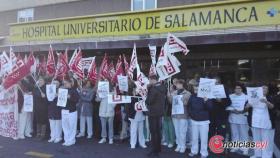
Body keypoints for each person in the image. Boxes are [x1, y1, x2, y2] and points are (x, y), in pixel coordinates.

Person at [246, 85, 275, 158]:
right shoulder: (252, 97)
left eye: (266, 88)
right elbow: (245, 108)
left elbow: (272, 107)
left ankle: (267, 156)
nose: (264, 89)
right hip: (255, 122)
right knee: (256, 140)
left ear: (268, 91)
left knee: (267, 141)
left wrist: (266, 102)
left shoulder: (270, 98)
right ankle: (257, 154)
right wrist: (248, 105)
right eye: (262, 88)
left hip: (266, 122)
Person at [188, 85, 212, 158]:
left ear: (201, 89)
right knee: (194, 138)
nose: (195, 90)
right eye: (195, 89)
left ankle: (204, 153)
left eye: (197, 89)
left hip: (204, 121)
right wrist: (191, 115)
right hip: (194, 120)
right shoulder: (192, 96)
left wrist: (206, 101)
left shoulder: (206, 96)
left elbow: (210, 108)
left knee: (204, 138)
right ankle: (194, 151)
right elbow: (189, 106)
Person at [145, 75, 167, 157]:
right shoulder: (163, 87)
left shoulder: (153, 89)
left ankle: (154, 150)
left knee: (153, 132)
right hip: (160, 112)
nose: (149, 81)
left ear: (153, 80)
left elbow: (149, 101)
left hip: (153, 113)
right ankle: (158, 148)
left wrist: (149, 90)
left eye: (150, 80)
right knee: (158, 131)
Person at [168, 79, 191, 153]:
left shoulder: (187, 93)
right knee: (177, 131)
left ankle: (183, 145)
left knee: (182, 131)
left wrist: (180, 99)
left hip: (183, 115)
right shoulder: (174, 92)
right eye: (176, 84)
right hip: (175, 115)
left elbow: (187, 103)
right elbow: (170, 102)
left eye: (179, 84)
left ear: (182, 85)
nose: (177, 85)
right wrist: (169, 96)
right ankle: (179, 145)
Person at [228, 84, 249, 155]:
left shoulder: (246, 97)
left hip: (242, 117)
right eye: (236, 88)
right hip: (233, 117)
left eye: (239, 88)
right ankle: (235, 146)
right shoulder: (230, 96)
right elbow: (227, 106)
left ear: (242, 89)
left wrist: (242, 111)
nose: (238, 89)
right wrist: (233, 110)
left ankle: (245, 148)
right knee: (234, 133)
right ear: (234, 89)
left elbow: (248, 107)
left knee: (244, 133)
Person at [61, 79, 79, 146]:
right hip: (64, 110)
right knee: (65, 126)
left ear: (70, 83)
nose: (65, 84)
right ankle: (67, 140)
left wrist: (70, 97)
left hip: (72, 111)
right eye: (64, 83)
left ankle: (72, 140)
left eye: (66, 83)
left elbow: (77, 100)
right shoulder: (63, 90)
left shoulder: (74, 91)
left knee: (72, 127)